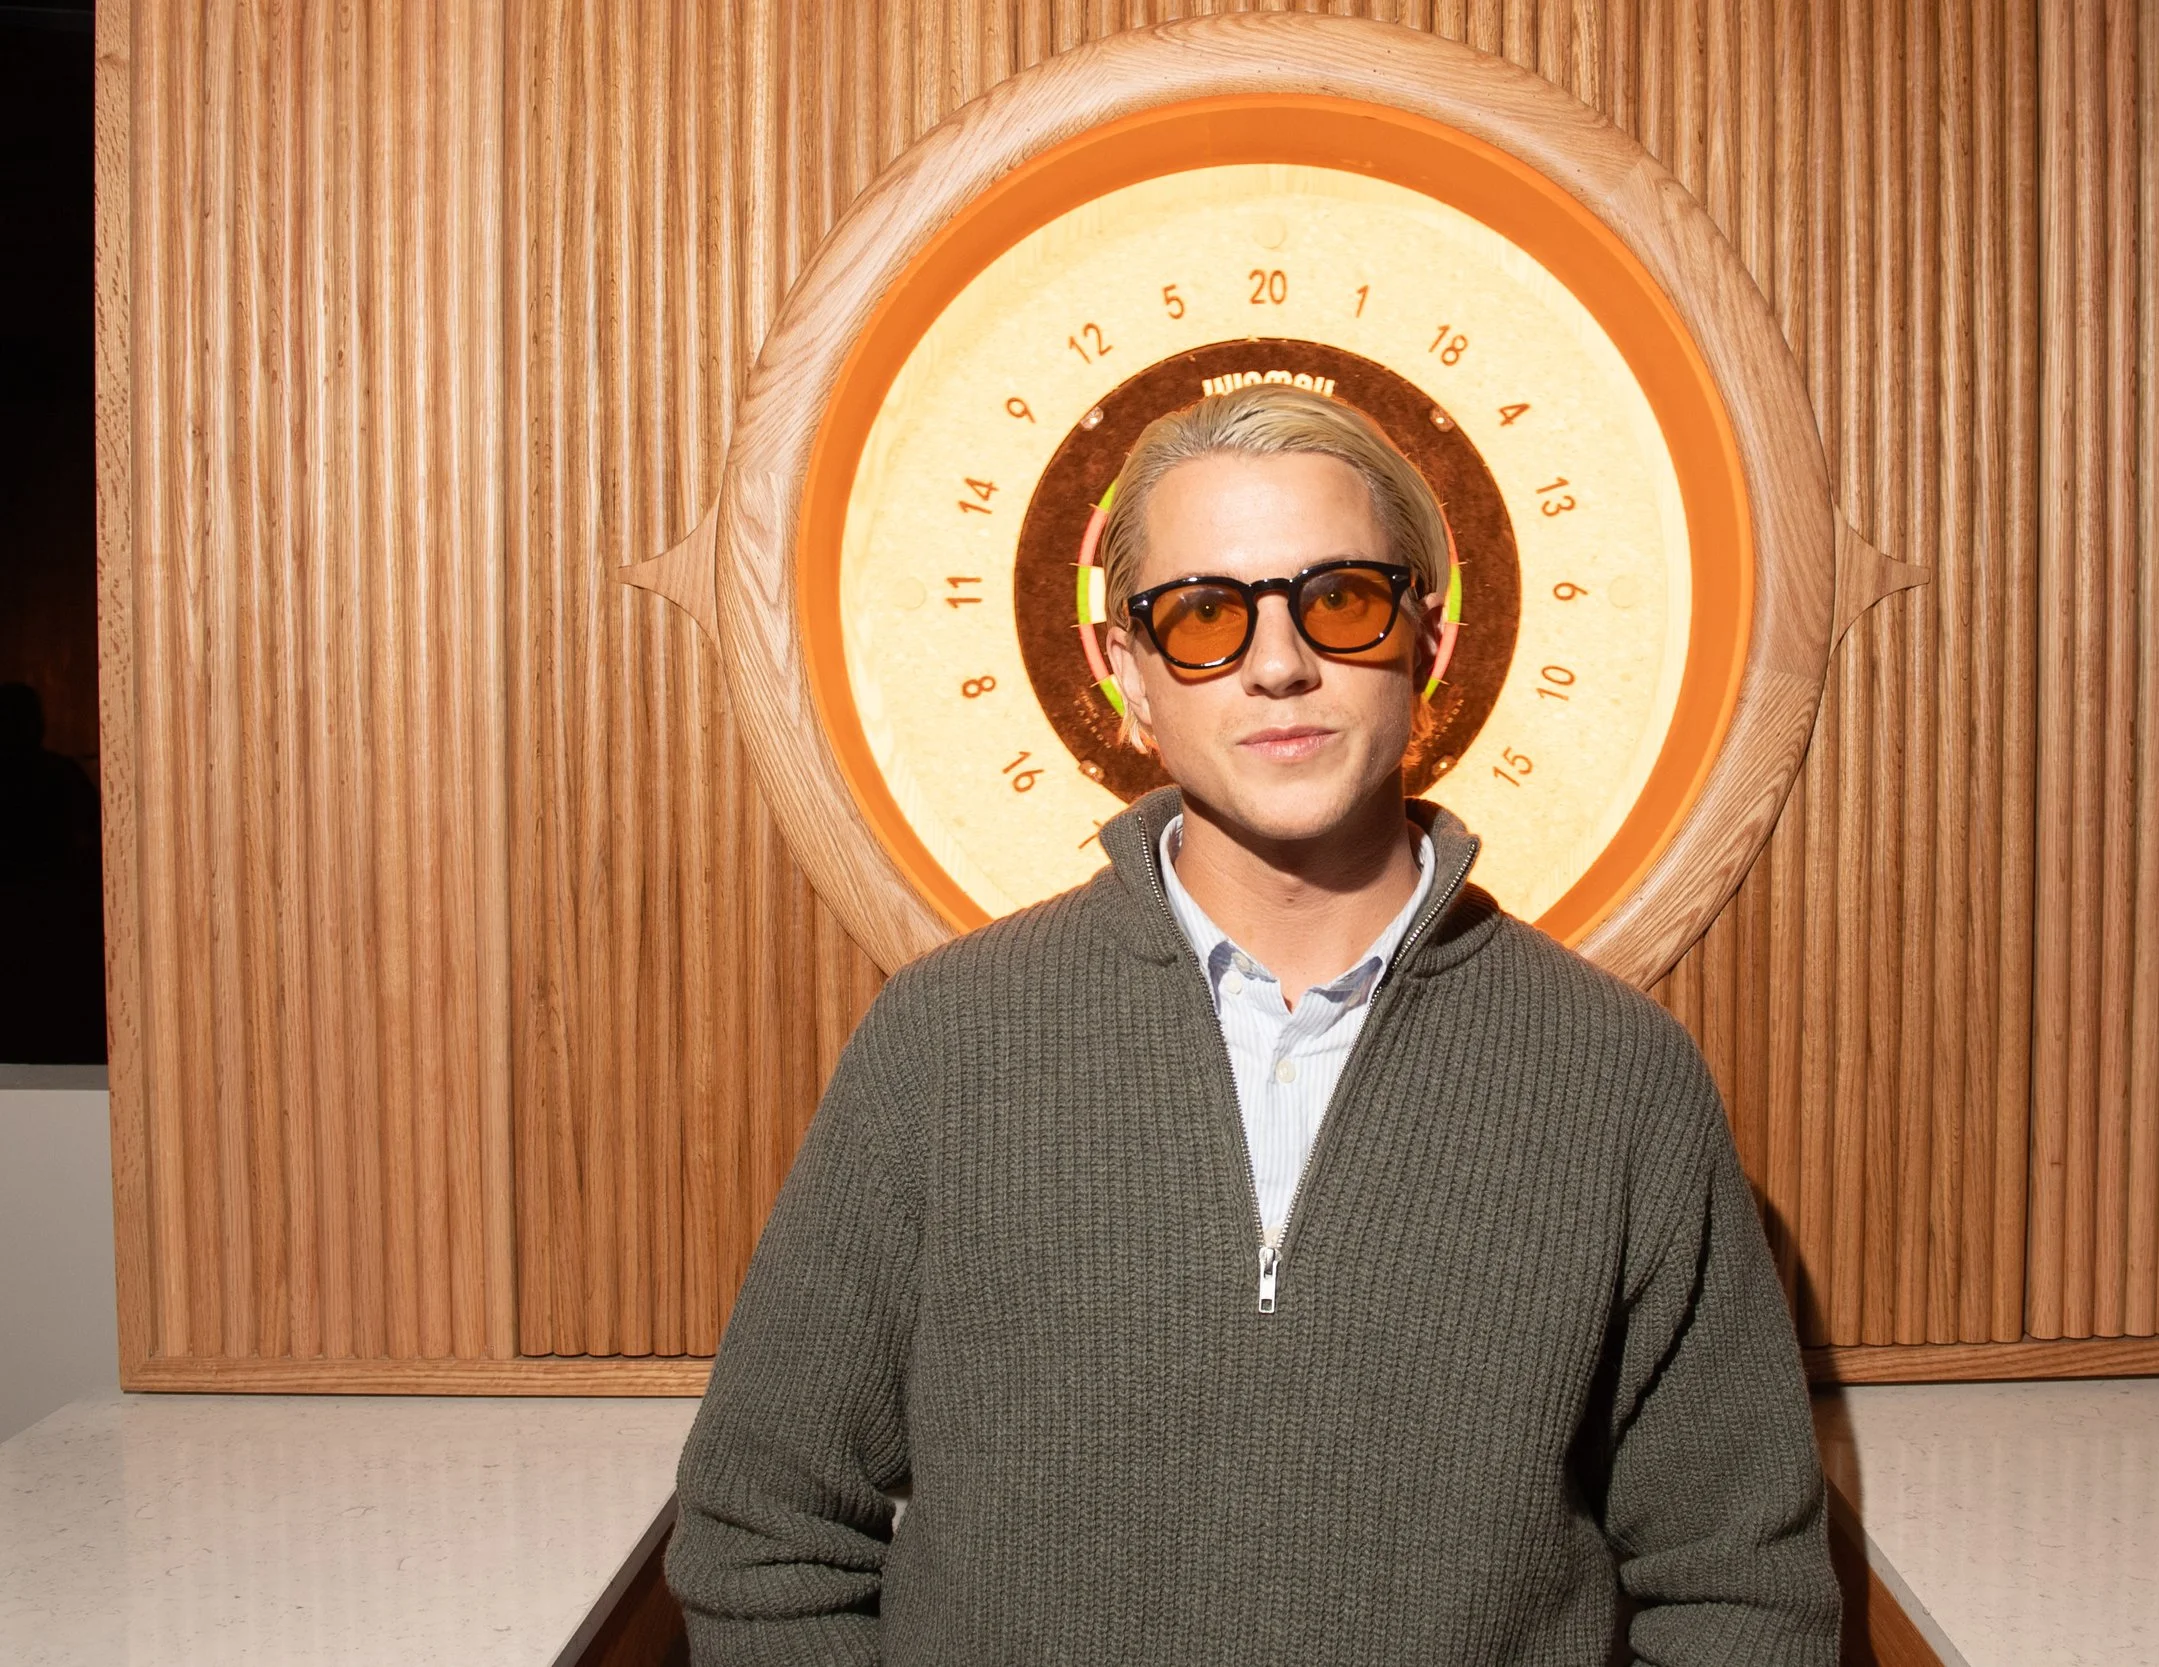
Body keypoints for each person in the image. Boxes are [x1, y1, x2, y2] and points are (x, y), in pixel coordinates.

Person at [666, 384, 1841, 1665]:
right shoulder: (942, 1046)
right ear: (1127, 675)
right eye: (1206, 617)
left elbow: (1740, 1587)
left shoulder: (1618, 1077)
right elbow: (762, 1534)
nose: (1278, 663)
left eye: (1337, 598)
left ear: (1427, 643)